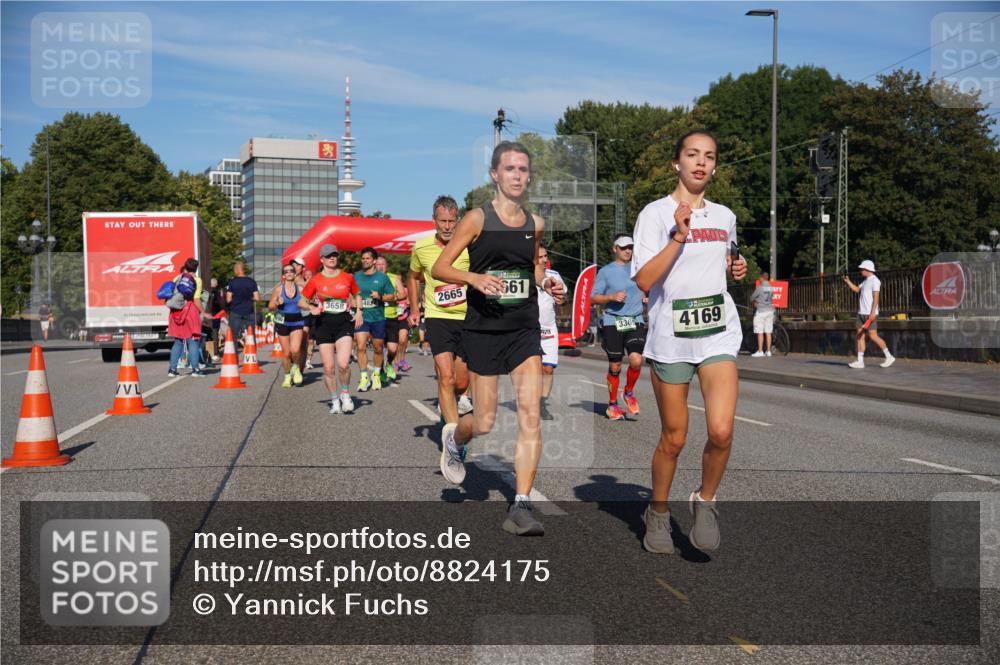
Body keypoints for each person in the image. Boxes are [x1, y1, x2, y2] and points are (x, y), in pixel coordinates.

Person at [432, 143, 564, 536]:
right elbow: (440, 267)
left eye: (523, 169)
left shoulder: (535, 223)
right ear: (495, 174)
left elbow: (531, 268)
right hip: (484, 329)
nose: (517, 175)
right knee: (485, 421)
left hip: (523, 328)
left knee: (530, 414)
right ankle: (455, 440)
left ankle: (521, 505)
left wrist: (547, 282)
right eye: (509, 169)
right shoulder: (477, 218)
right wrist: (474, 278)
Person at [632, 129, 748, 555]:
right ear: (676, 163)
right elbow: (644, 280)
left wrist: (737, 267)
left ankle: (706, 500)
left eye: (709, 156)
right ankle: (658, 512)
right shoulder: (655, 214)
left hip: (717, 331)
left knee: (721, 430)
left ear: (714, 167)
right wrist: (678, 236)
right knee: (675, 438)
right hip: (671, 337)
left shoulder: (724, 216)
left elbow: (724, 260)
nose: (701, 162)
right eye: (693, 154)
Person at [409, 196, 474, 451]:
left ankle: (448, 405)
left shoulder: (469, 246)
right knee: (445, 376)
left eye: (451, 221)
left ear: (458, 221)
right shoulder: (421, 247)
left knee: (461, 382)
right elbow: (413, 277)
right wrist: (415, 308)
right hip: (438, 317)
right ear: (434, 220)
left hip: (467, 318)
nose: (447, 226)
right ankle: (453, 438)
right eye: (442, 221)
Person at [299, 244, 363, 413]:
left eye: (334, 255)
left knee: (343, 364)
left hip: (344, 322)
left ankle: (345, 394)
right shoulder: (315, 280)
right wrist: (311, 308)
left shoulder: (347, 277)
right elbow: (301, 301)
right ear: (322, 260)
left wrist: (359, 312)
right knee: (328, 368)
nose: (332, 258)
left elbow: (357, 294)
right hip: (323, 324)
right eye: (328, 256)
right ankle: (334, 400)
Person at [591, 235, 647, 420]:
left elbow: (648, 286)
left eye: (630, 247)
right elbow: (593, 298)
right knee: (615, 365)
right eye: (624, 248)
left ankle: (628, 392)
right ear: (615, 249)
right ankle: (612, 404)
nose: (628, 251)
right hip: (613, 321)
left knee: (636, 360)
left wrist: (647, 295)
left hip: (635, 319)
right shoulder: (606, 272)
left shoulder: (639, 267)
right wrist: (610, 297)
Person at [353, 248, 396, 392]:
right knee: (360, 346)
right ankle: (364, 377)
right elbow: (350, 294)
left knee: (378, 347)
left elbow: (392, 296)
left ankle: (376, 375)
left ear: (374, 261)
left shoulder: (382, 277)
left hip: (378, 317)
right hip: (362, 316)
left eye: (368, 258)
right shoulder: (356, 276)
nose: (365, 261)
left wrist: (380, 297)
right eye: (363, 258)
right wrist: (354, 304)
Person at [844, 260, 894, 369]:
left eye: (862, 269)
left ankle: (889, 356)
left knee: (873, 336)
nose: (861, 271)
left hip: (870, 314)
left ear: (867, 269)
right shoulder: (865, 281)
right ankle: (860, 361)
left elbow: (876, 297)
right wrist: (848, 282)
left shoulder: (875, 281)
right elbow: (857, 290)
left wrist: (872, 312)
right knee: (859, 336)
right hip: (861, 313)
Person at [536, 244, 566, 421]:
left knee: (547, 369)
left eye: (545, 256)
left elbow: (563, 297)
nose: (543, 260)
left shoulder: (554, 275)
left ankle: (541, 403)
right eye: (539, 257)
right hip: (529, 329)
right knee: (534, 369)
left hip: (549, 330)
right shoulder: (526, 275)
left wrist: (561, 299)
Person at [269, 263, 306, 388]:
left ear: (295, 274)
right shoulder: (278, 289)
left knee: (296, 350)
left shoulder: (300, 288)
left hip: (297, 321)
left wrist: (312, 303)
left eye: (291, 270)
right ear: (283, 275)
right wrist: (276, 302)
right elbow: (270, 307)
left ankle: (296, 368)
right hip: (282, 321)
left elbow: (307, 302)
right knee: (286, 353)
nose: (289, 272)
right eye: (286, 271)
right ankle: (287, 376)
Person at [167, 258, 206, 377]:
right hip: (190, 311)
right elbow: (196, 299)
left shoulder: (177, 278)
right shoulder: (197, 280)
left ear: (185, 267)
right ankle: (195, 369)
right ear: (196, 268)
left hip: (176, 312)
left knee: (178, 341)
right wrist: (204, 312)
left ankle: (172, 370)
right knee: (193, 340)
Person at [375, 256, 407, 385]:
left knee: (392, 349)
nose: (380, 266)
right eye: (378, 264)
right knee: (379, 347)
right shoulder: (370, 279)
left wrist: (393, 297)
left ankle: (389, 363)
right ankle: (381, 370)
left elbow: (403, 294)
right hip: (376, 317)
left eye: (383, 264)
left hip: (391, 317)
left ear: (386, 266)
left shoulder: (394, 278)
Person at [226, 260, 260, 346]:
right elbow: (257, 298)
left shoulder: (232, 282)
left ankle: (234, 353)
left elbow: (228, 299)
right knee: (251, 334)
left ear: (236, 270)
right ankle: (252, 353)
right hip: (249, 311)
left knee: (233, 335)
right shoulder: (251, 281)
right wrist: (250, 298)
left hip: (235, 311)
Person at [750, 271, 775, 357]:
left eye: (759, 278)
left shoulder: (759, 288)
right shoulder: (771, 288)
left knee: (760, 331)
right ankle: (768, 351)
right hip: (770, 311)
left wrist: (756, 301)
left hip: (761, 311)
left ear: (761, 278)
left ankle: (760, 351)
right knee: (768, 332)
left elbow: (752, 298)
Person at [207, 277, 227, 362]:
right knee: (215, 334)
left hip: (207, 314)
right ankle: (215, 352)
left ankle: (208, 353)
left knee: (208, 334)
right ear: (216, 284)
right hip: (215, 315)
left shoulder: (207, 291)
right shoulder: (217, 292)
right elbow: (220, 304)